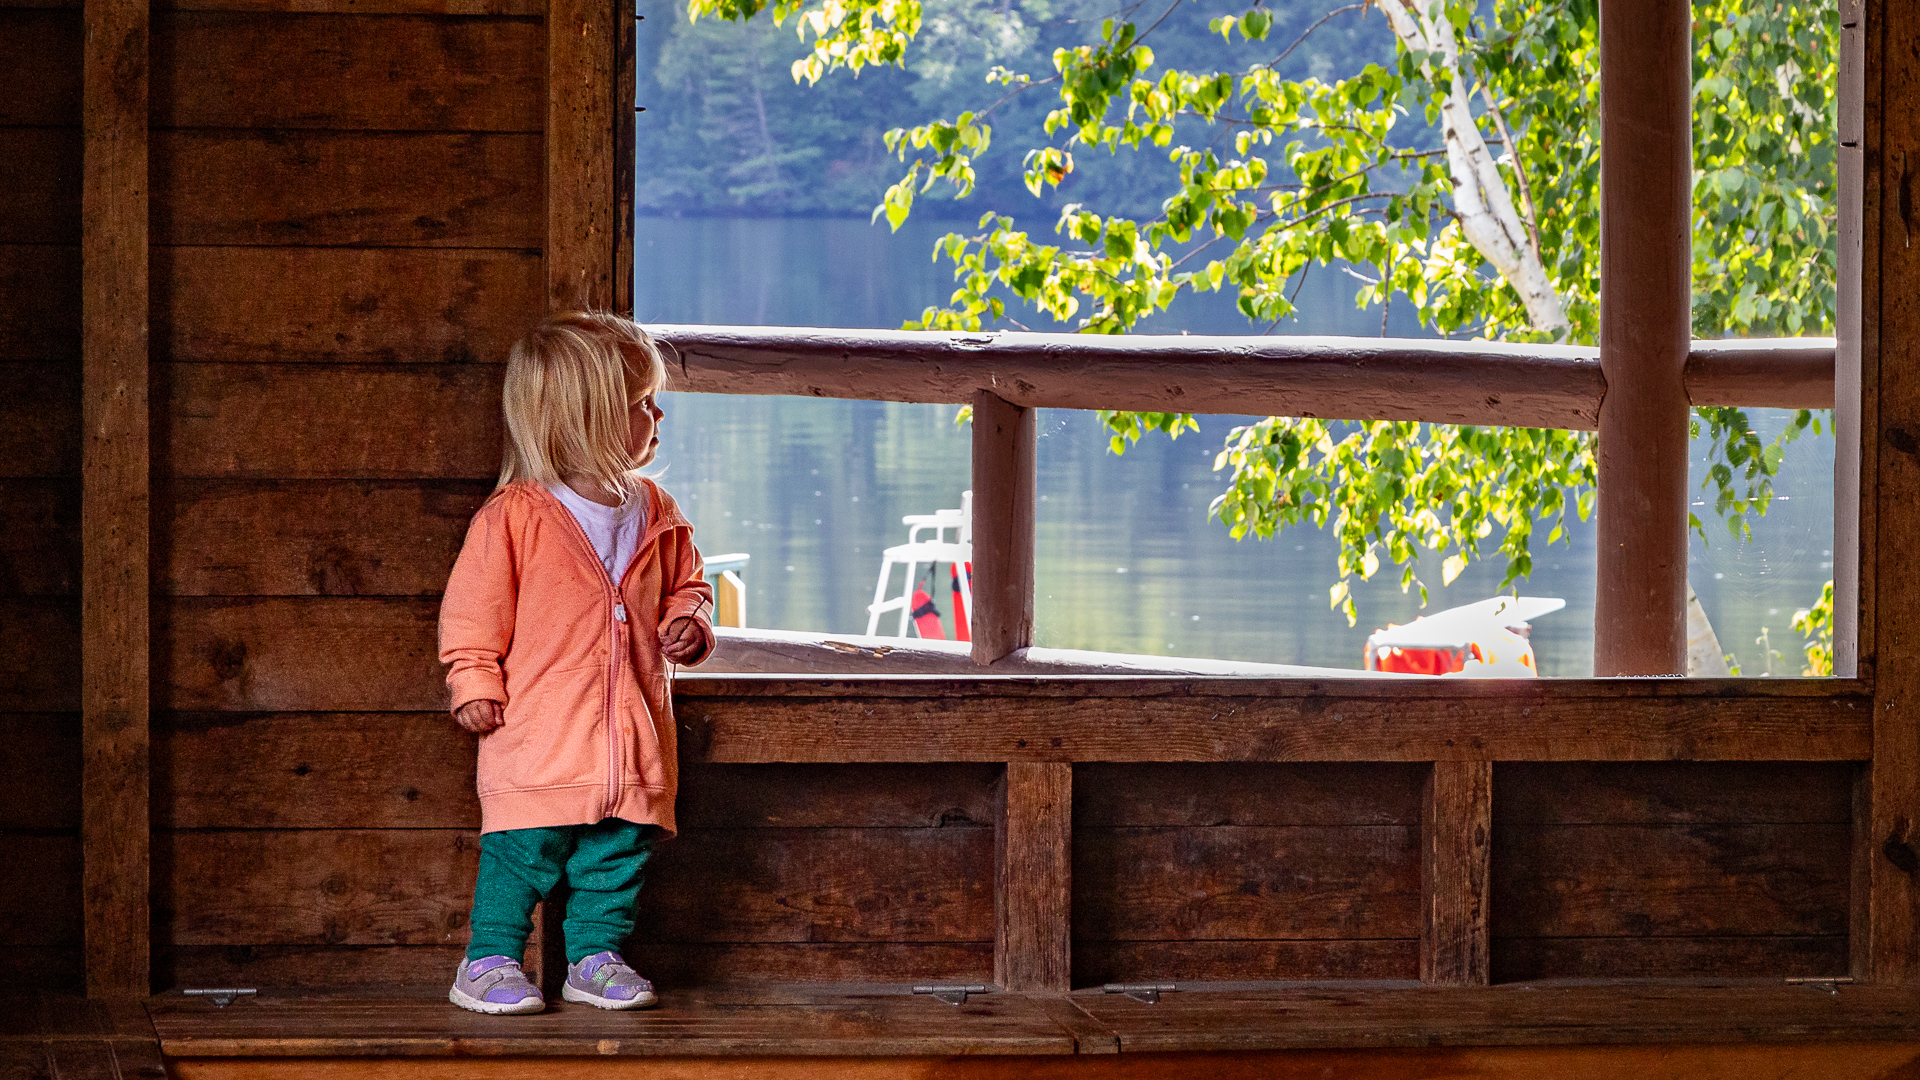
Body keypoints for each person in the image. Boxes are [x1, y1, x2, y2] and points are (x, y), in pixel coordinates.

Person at [438, 312, 714, 1014]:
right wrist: (472, 679)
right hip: (538, 734)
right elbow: (472, 614)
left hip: (633, 736)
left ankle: (595, 958)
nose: (657, 417)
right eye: (640, 406)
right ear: (585, 419)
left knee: (617, 855)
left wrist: (688, 620)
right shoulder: (516, 517)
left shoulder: (656, 509)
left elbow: (690, 583)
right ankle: (489, 960)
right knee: (521, 850)